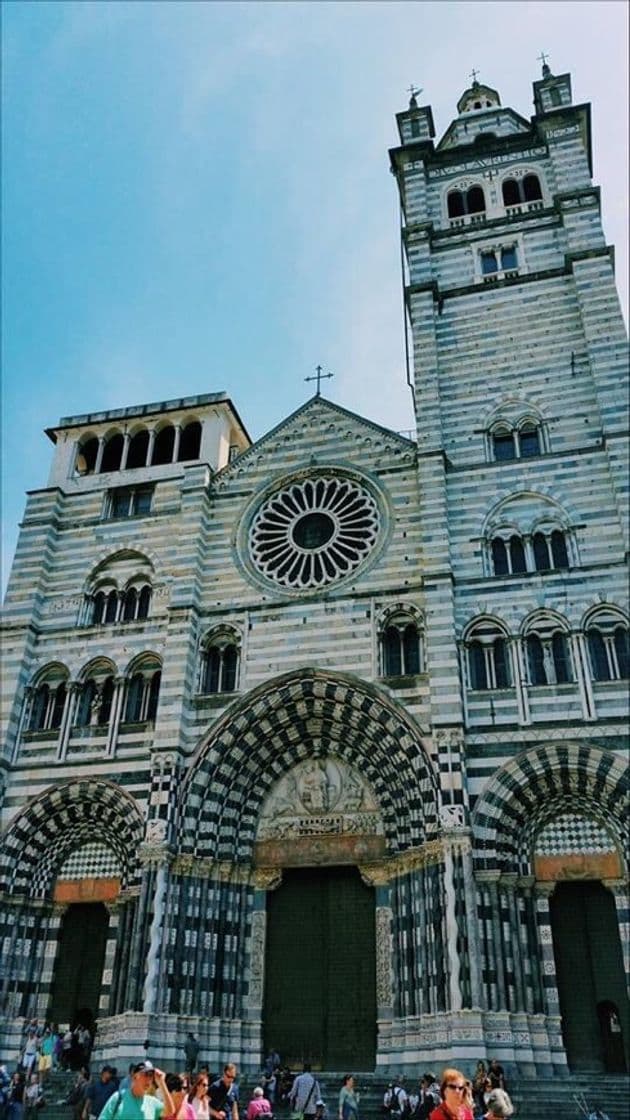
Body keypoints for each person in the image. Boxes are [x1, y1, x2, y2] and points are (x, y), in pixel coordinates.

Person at [97, 1060, 174, 1119]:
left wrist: (162, 1083)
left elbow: (170, 1111)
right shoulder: (118, 1098)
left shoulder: (152, 1102)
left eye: (151, 1076)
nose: (149, 1079)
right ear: (134, 1077)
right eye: (145, 1075)